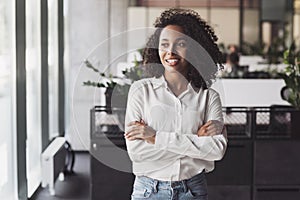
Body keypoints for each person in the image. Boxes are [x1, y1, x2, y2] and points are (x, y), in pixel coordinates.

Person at [124, 8, 227, 200]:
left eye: (180, 44)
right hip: (149, 191)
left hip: (193, 190)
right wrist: (195, 140)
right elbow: (137, 152)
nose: (170, 52)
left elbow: (217, 150)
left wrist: (155, 137)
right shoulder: (140, 91)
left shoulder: (209, 97)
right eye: (164, 44)